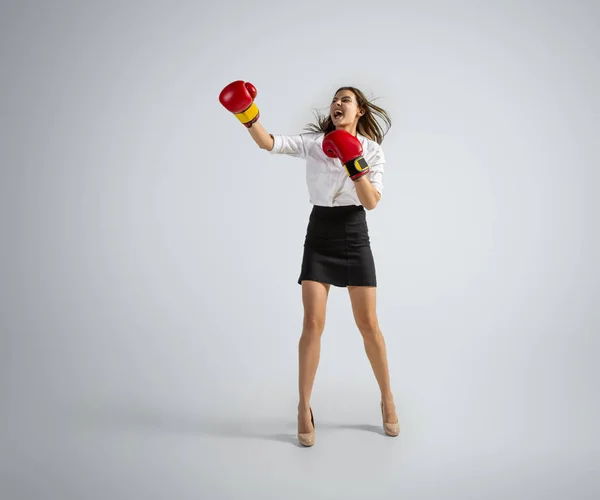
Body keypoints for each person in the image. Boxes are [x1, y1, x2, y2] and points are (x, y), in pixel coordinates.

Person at [219, 81, 399, 447]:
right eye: (334, 100)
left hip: (353, 234)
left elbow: (371, 202)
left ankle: (387, 398)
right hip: (319, 234)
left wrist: (354, 162)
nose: (337, 104)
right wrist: (246, 114)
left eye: (345, 100)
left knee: (369, 325)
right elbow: (269, 143)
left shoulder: (374, 151)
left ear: (359, 111)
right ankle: (303, 407)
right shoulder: (316, 144)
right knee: (312, 323)